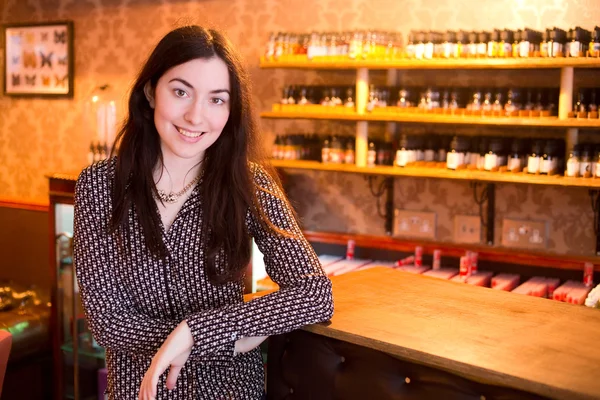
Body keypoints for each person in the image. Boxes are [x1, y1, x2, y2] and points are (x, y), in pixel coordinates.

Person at [73, 25, 334, 399]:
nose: (196, 116)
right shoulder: (100, 186)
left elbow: (314, 294)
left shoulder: (249, 184)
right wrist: (235, 336)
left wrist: (196, 332)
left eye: (216, 100)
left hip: (229, 391)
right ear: (150, 91)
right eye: (181, 92)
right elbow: (109, 323)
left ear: (231, 110)